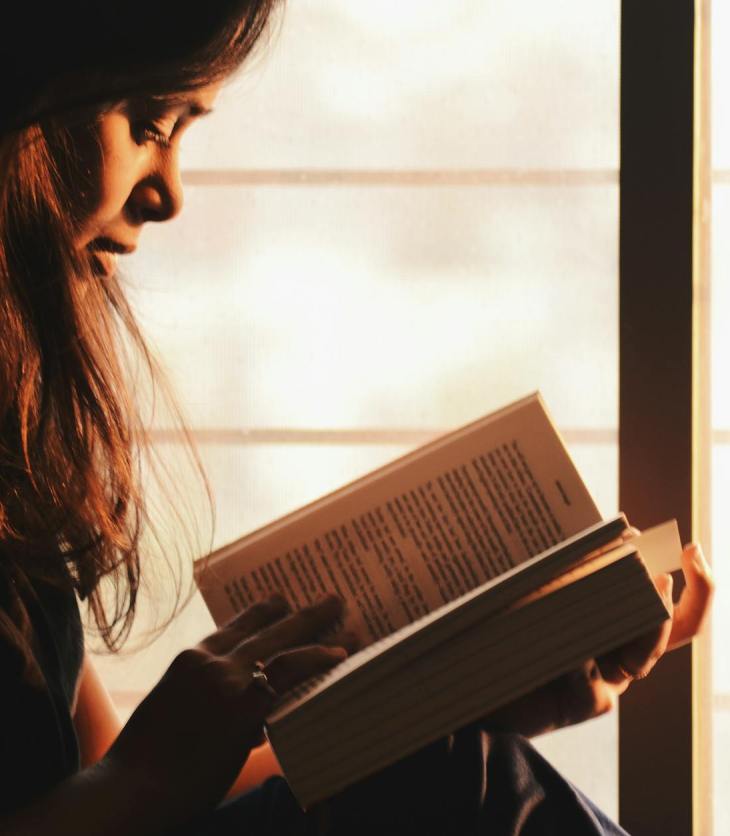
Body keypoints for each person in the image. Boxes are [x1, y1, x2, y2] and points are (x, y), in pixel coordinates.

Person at [0, 3, 713, 834]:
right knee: (468, 786)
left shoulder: (21, 461)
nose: (170, 194)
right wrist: (149, 774)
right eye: (152, 121)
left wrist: (465, 698)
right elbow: (130, 791)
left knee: (448, 771)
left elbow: (120, 793)